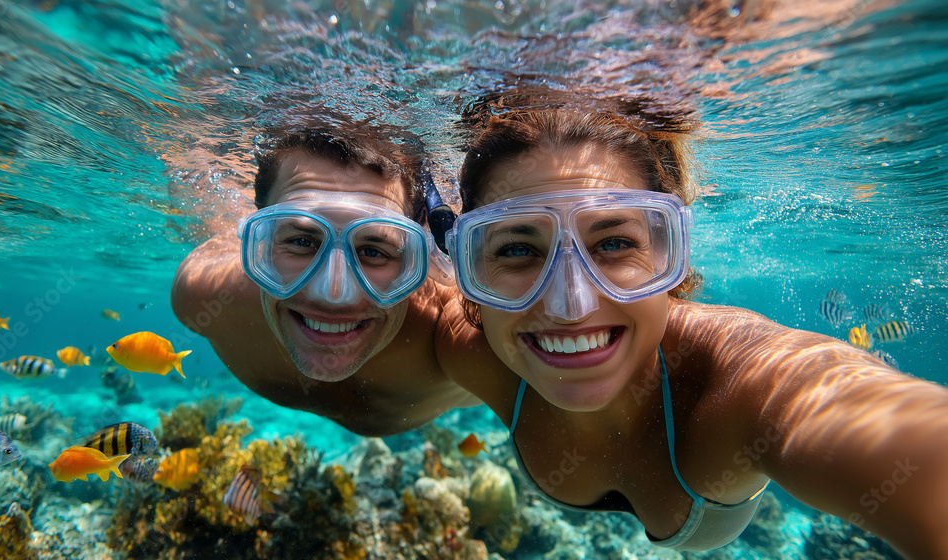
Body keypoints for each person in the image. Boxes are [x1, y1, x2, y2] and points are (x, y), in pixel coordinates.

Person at [434, 105, 948, 557]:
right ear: (467, 268)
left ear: (671, 252)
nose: (571, 306)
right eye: (517, 249)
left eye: (614, 244)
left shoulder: (743, 380)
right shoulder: (460, 344)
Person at [171, 126, 480, 437]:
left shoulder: (458, 336)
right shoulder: (204, 294)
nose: (333, 294)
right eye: (302, 242)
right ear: (259, 245)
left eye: (373, 251)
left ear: (422, 257)